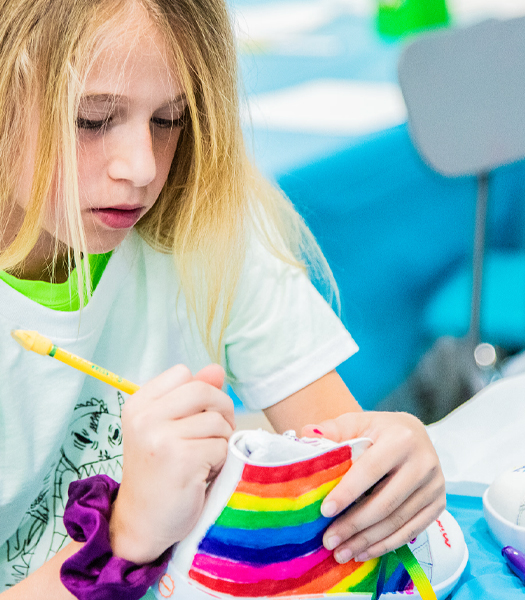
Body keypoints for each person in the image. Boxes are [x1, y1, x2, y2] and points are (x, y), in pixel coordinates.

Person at [0, 0, 445, 598]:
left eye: (169, 120)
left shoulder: (204, 222)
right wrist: (124, 536)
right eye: (93, 119)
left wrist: (387, 461)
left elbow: (338, 448)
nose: (141, 168)